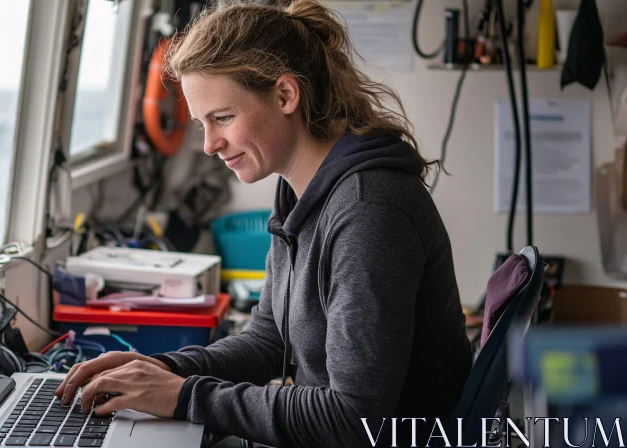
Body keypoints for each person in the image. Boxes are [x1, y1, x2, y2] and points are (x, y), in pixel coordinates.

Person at [55, 0, 472, 446]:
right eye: (202, 124)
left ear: (286, 95)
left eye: (224, 118)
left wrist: (183, 396)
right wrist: (167, 369)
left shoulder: (370, 210)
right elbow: (269, 340)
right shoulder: (300, 191)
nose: (211, 145)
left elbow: (353, 418)